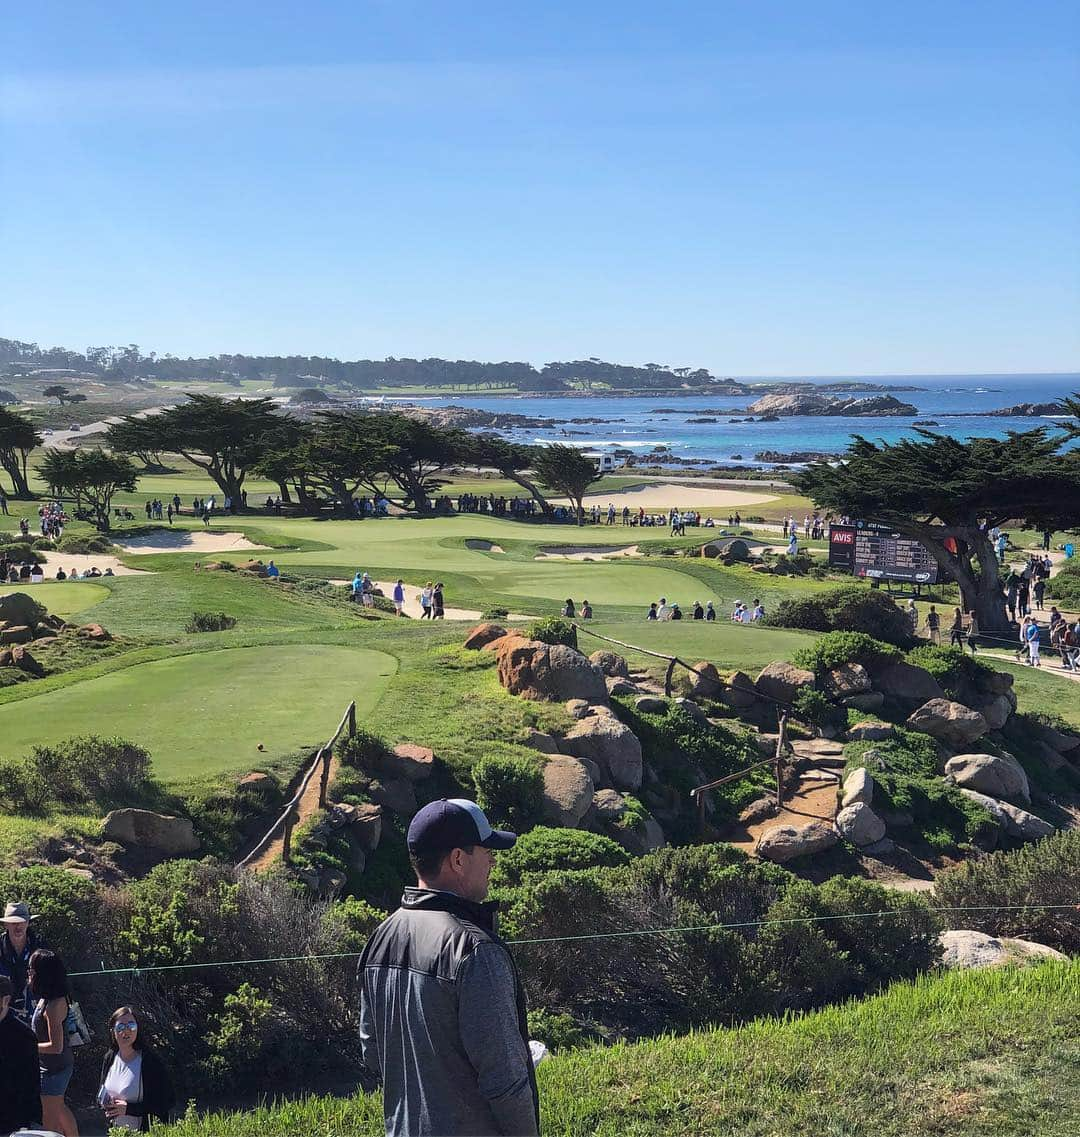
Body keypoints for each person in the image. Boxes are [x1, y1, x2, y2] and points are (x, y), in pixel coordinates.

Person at [359, 799, 540, 1137]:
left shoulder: (379, 938)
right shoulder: (475, 951)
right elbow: (505, 1083)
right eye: (486, 850)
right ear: (458, 859)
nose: (493, 860)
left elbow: (373, 1052)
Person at [98, 1006, 175, 1132]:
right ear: (113, 1031)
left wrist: (129, 1109)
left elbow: (166, 1101)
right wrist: (106, 1104)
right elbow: (102, 1091)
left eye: (131, 1026)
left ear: (138, 1029)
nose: (126, 1031)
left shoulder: (150, 1061)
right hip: (117, 1132)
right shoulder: (110, 1057)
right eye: (121, 1027)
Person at [30, 948, 77, 1136]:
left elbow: (56, 1046)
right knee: (59, 1109)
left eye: (32, 970)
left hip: (55, 1069)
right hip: (48, 1067)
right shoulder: (46, 998)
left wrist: (27, 1048)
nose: (29, 974)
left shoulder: (54, 1006)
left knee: (48, 1125)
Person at [0, 974, 42, 1135]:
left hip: (12, 1120)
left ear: (5, 1000)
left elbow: (30, 1084)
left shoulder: (23, 1036)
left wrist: (27, 1123)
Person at [0, 902, 42, 1026]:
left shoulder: (40, 946)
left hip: (36, 1012)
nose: (18, 926)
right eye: (13, 923)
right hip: (5, 1014)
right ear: (6, 925)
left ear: (28, 923)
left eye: (22, 921)